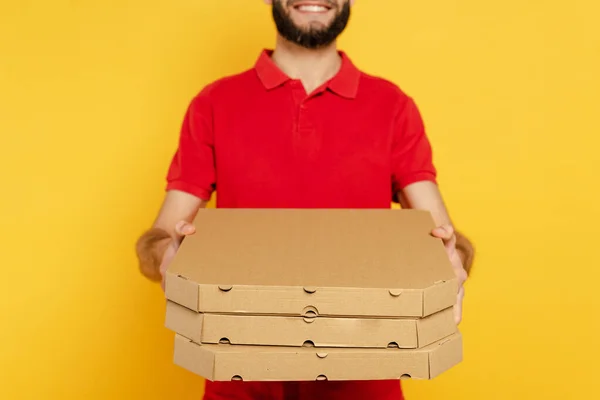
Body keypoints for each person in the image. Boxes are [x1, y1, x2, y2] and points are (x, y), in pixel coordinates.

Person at [135, 0, 475, 399]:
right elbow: (156, 239)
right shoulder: (214, 103)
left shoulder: (392, 106)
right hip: (242, 375)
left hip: (364, 375)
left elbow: (447, 237)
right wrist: (168, 256)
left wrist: (452, 260)